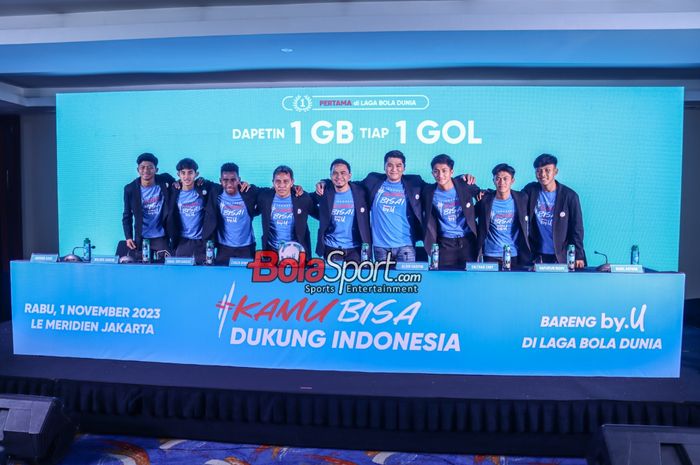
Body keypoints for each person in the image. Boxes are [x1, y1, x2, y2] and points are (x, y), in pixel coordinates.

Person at [522, 154, 586, 267]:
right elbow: (512, 197)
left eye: (547, 170)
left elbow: (577, 229)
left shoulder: (570, 196)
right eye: (539, 171)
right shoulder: (531, 190)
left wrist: (579, 255)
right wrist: (485, 193)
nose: (543, 174)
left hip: (562, 255)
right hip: (537, 255)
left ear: (555, 172)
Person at [422, 154, 481, 270]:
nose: (440, 175)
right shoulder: (429, 192)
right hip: (444, 244)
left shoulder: (465, 186)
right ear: (432, 173)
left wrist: (465, 177)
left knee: (469, 279)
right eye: (436, 171)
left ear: (451, 172)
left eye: (444, 171)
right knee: (443, 279)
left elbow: (483, 195)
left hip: (467, 241)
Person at [310, 159, 371, 262]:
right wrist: (322, 216)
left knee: (355, 278)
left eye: (343, 173)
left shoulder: (360, 191)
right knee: (332, 278)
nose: (339, 176)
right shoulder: (325, 192)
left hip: (355, 249)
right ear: (330, 175)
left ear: (349, 175)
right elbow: (305, 202)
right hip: (331, 248)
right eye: (335, 173)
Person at [476, 163, 531, 268]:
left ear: (512, 181)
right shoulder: (485, 200)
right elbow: (469, 216)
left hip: (514, 254)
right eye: (498, 179)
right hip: (490, 254)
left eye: (505, 179)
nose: (501, 182)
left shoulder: (522, 198)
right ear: (493, 181)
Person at [121, 152, 174, 260]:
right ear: (138, 170)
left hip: (161, 236)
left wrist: (201, 183)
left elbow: (184, 182)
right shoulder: (130, 189)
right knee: (142, 267)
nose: (146, 171)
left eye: (150, 167)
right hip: (142, 236)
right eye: (143, 167)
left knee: (167, 266)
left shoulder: (165, 181)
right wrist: (128, 237)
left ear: (156, 170)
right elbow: (127, 215)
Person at [203, 162, 258, 264]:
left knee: (246, 279)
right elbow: (195, 183)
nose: (229, 183)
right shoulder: (215, 193)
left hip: (246, 248)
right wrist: (179, 182)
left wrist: (293, 187)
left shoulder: (249, 192)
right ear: (220, 181)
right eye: (225, 180)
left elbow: (270, 193)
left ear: (239, 180)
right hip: (224, 248)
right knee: (222, 279)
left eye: (233, 180)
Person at [257, 165, 314, 255]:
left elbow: (317, 209)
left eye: (286, 181)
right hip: (271, 250)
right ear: (273, 182)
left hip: (296, 251)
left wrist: (325, 183)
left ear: (292, 182)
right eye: (278, 181)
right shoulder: (265, 197)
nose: (281, 185)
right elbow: (251, 192)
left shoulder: (303, 198)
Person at [165, 157, 213, 263]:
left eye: (190, 173)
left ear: (196, 174)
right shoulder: (174, 192)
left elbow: (226, 185)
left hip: (201, 241)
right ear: (178, 175)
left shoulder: (204, 189)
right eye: (183, 173)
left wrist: (241, 183)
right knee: (181, 274)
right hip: (182, 241)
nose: (186, 176)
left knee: (203, 273)